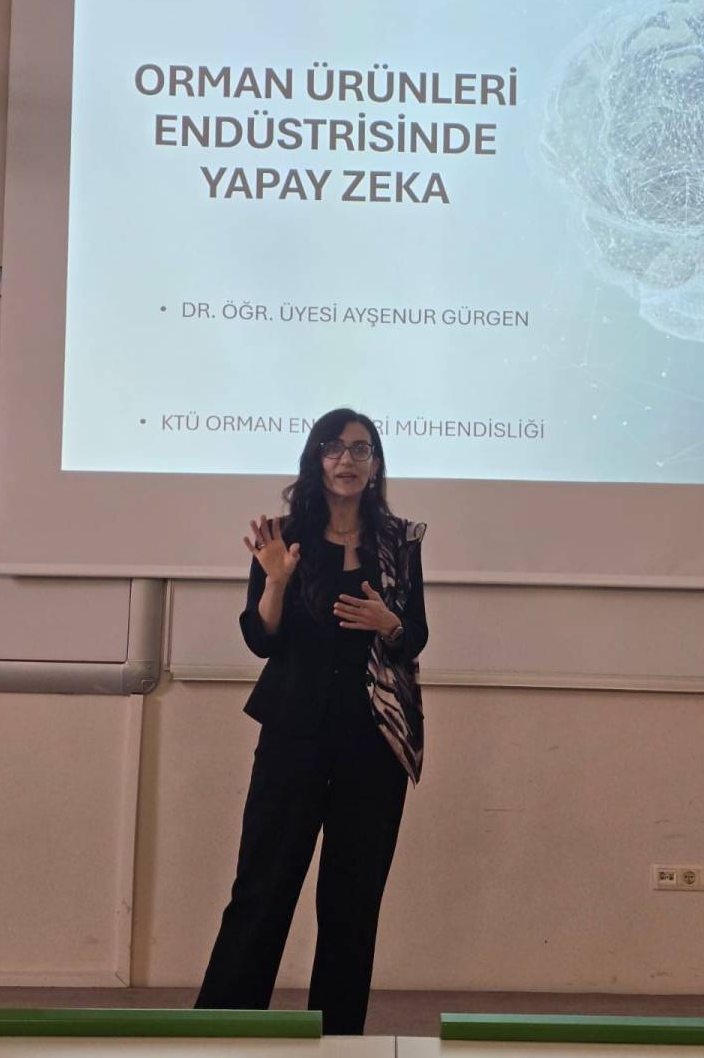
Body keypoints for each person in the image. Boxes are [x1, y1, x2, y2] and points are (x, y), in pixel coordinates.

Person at [194, 407, 428, 1035]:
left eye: (361, 448)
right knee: (261, 888)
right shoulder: (282, 536)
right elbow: (262, 639)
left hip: (373, 740)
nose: (347, 459)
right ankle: (222, 1030)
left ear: (375, 464)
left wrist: (390, 624)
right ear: (316, 459)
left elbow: (415, 636)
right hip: (294, 732)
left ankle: (338, 1037)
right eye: (334, 447)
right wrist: (275, 581)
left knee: (353, 901)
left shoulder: (400, 541)